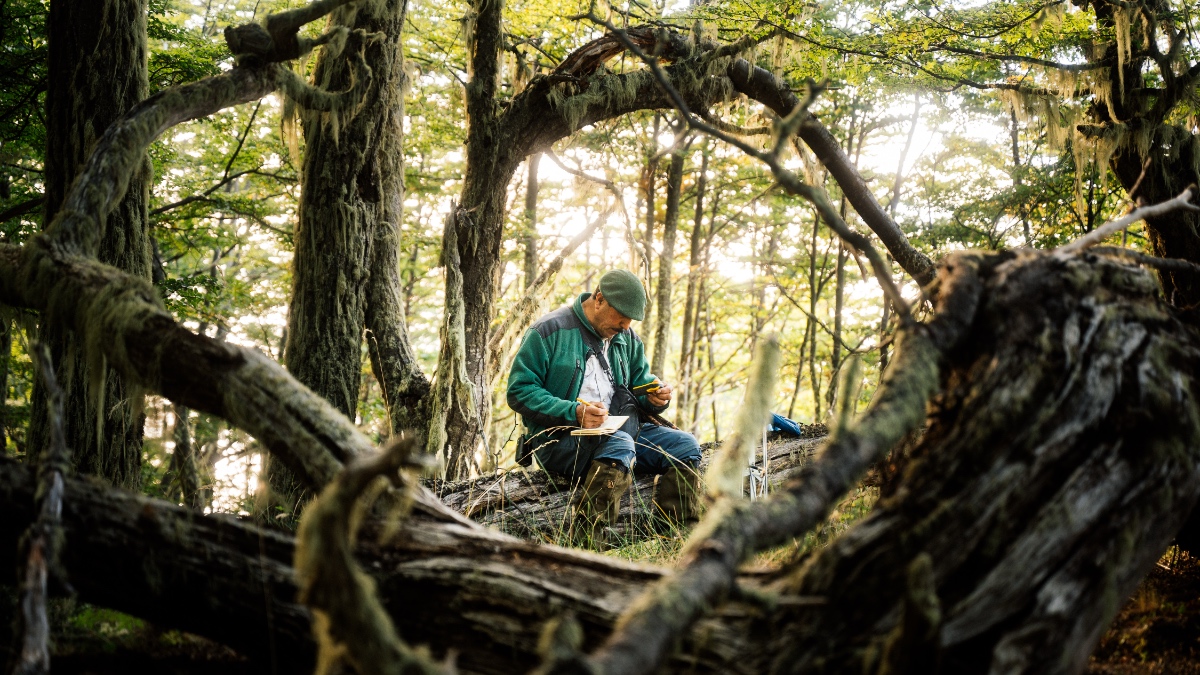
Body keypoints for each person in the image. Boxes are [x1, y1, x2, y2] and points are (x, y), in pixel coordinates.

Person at [507, 269, 703, 545]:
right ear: (599, 299)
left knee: (685, 446)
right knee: (620, 445)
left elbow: (640, 386)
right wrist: (574, 412)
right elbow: (519, 391)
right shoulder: (549, 331)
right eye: (620, 319)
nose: (625, 327)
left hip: (621, 432)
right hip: (559, 438)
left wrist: (657, 398)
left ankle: (675, 539)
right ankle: (587, 545)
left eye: (629, 321)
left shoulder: (627, 338)